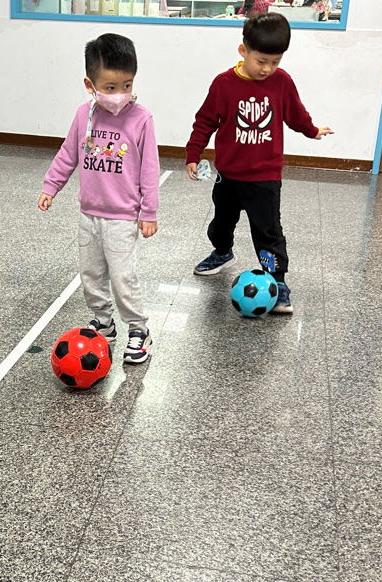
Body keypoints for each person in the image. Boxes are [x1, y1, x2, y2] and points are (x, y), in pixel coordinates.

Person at [184, 12, 332, 314]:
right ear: (243, 51)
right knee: (222, 223)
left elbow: (295, 115)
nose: (267, 69)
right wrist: (193, 153)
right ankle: (222, 252)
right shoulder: (224, 84)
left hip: (265, 176)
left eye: (275, 62)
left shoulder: (282, 82)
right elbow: (205, 121)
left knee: (268, 231)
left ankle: (278, 281)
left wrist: (313, 130)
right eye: (261, 61)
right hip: (228, 174)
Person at [38, 33, 159, 364]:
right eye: (110, 87)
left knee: (122, 278)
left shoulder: (141, 119)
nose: (119, 94)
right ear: (90, 85)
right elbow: (68, 154)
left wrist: (148, 212)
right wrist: (51, 186)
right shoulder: (84, 115)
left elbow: (149, 170)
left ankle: (139, 330)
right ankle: (104, 322)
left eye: (127, 85)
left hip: (123, 216)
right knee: (90, 275)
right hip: (89, 213)